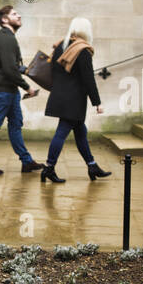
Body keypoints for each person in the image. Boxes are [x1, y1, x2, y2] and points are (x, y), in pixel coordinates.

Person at [0, 5, 44, 175]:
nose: (19, 15)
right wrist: (28, 87)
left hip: (9, 90)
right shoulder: (6, 39)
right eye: (14, 14)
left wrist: (25, 69)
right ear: (4, 19)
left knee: (15, 124)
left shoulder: (7, 37)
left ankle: (26, 162)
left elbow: (11, 66)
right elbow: (9, 69)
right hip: (2, 90)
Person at [40, 16, 112, 183]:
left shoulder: (61, 46)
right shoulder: (82, 50)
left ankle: (92, 165)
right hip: (73, 101)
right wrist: (97, 103)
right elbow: (88, 79)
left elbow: (52, 71)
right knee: (62, 132)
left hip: (60, 96)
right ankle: (49, 168)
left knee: (81, 133)